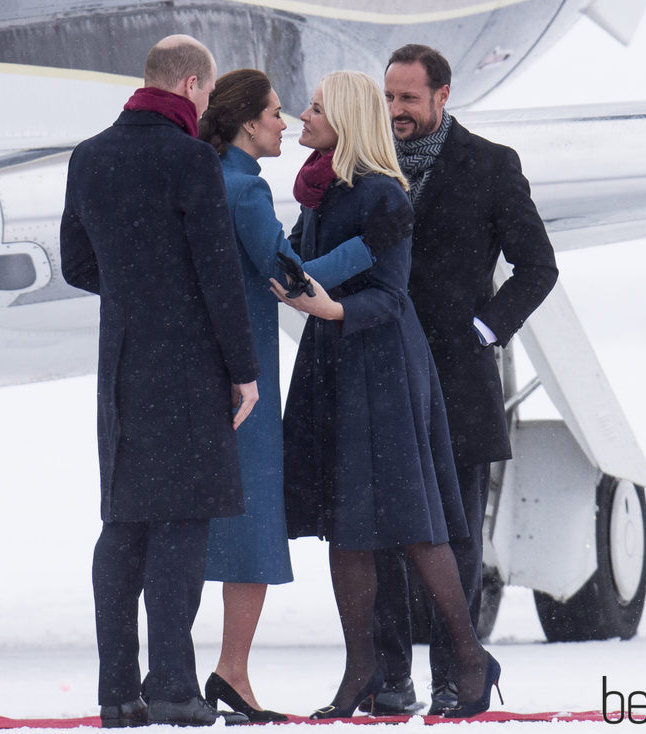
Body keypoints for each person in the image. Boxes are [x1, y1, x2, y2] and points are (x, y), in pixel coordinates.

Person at [271, 70, 501, 720]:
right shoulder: (317, 194)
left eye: (314, 109)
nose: (302, 117)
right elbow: (290, 264)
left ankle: (469, 658)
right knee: (348, 531)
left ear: (342, 119)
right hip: (333, 370)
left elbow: (389, 295)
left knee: (412, 526)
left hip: (381, 368)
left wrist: (323, 302)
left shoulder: (383, 197)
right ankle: (363, 672)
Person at [60, 35, 260, 728]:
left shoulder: (89, 157)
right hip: (186, 362)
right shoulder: (188, 160)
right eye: (205, 92)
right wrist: (244, 371)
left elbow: (75, 263)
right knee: (182, 519)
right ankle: (174, 686)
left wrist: (134, 291)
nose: (206, 103)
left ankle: (119, 691)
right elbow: (217, 274)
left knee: (124, 522)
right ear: (190, 83)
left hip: (120, 359)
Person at [369, 44, 559, 715]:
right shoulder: (367, 163)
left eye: (409, 100)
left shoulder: (490, 166)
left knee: (456, 537)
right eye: (389, 98)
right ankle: (389, 680)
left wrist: (485, 330)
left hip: (457, 377)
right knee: (382, 533)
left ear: (443, 96)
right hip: (383, 373)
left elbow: (538, 267)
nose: (396, 112)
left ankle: (458, 674)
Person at [196, 68, 388, 723]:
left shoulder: (206, 177)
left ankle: (203, 670)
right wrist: (370, 246)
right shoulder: (243, 190)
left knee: (201, 526)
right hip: (244, 376)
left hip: (201, 372)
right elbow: (288, 280)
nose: (285, 123)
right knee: (249, 527)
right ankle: (232, 673)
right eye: (277, 112)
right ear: (249, 121)